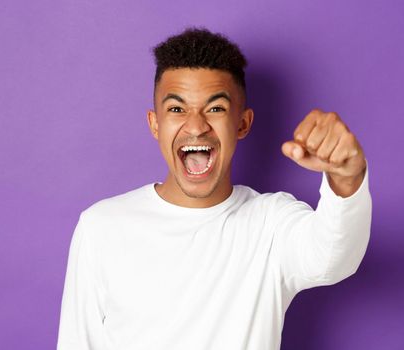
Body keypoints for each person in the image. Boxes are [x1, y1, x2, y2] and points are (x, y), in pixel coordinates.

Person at [56, 27, 372, 350]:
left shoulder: (271, 224)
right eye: (177, 109)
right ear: (155, 124)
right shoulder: (101, 227)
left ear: (243, 123)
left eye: (216, 108)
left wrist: (346, 178)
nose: (196, 126)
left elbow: (335, 256)